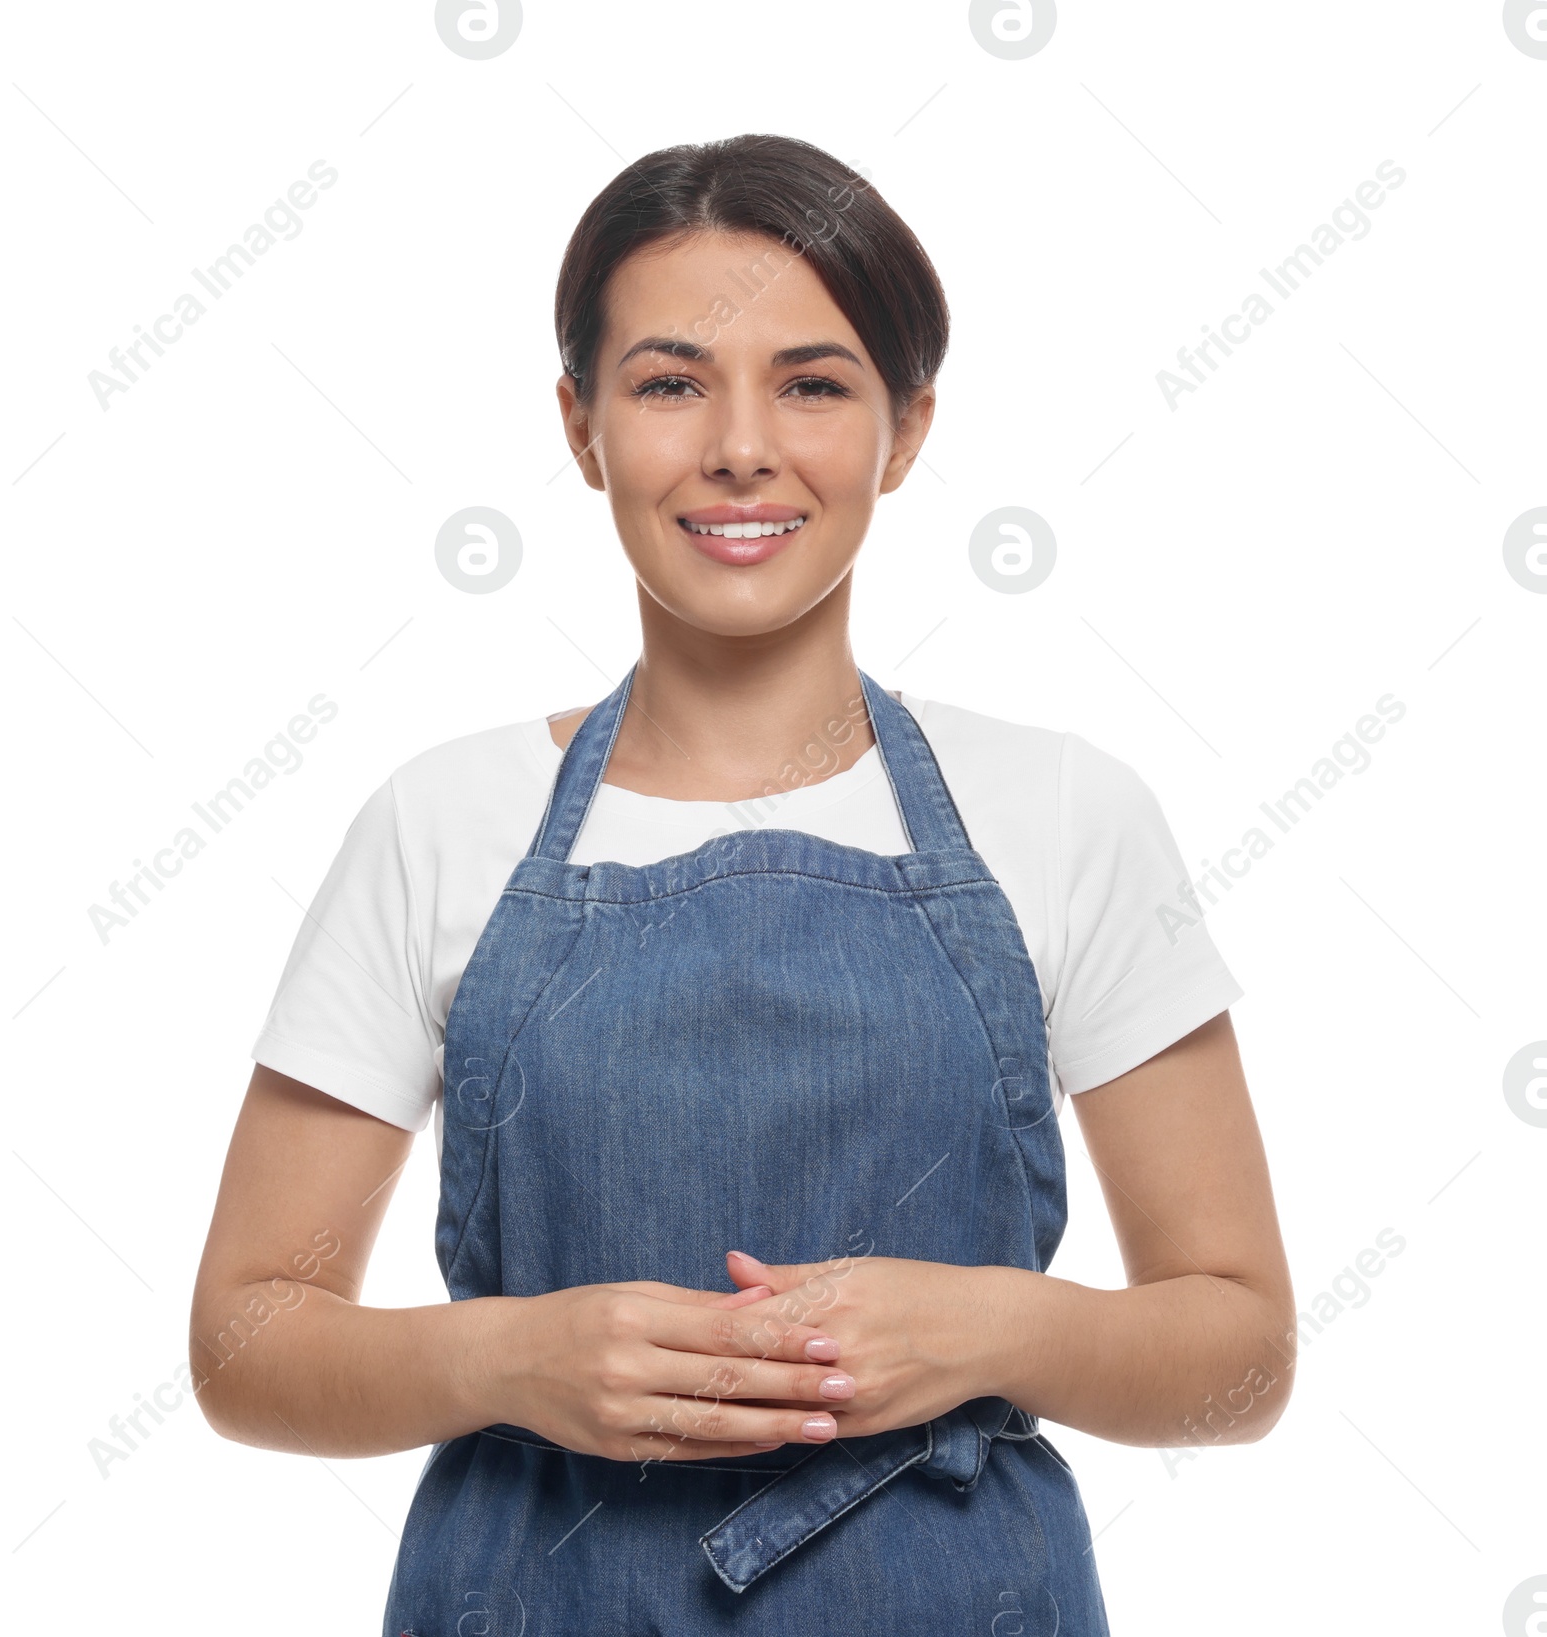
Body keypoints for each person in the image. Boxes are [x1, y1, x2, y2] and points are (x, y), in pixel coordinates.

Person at [190, 132, 1295, 1634]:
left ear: (905, 431)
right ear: (579, 425)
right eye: (666, 383)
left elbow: (1241, 1354)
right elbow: (248, 1334)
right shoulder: (446, 820)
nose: (740, 446)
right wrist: (509, 1360)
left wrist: (989, 1325)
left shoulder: (1062, 811)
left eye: (816, 382)